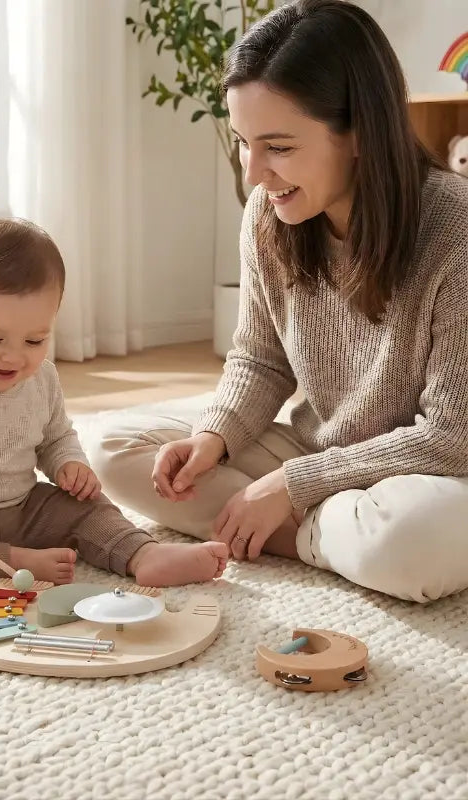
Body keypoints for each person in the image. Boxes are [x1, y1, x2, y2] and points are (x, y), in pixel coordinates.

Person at [88, 0, 468, 603]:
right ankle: (322, 536)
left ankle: (290, 531)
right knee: (111, 451)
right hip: (317, 448)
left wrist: (290, 485)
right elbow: (260, 361)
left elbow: (452, 436)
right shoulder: (272, 214)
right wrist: (214, 439)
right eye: (243, 143)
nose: (254, 174)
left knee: (419, 539)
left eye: (279, 147)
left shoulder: (456, 227)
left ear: (361, 133)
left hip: (426, 473)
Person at [0, 218, 228, 588]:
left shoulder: (42, 378)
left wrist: (69, 464)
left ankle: (144, 554)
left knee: (88, 508)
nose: (13, 357)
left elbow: (56, 436)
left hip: (23, 509)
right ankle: (13, 563)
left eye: (34, 340)